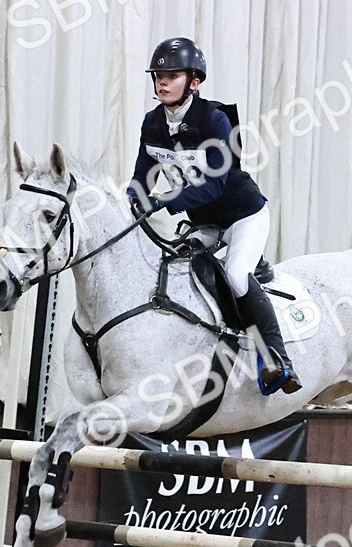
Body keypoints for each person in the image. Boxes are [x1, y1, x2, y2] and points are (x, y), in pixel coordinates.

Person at [126, 37, 301, 395]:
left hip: (243, 215)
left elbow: (214, 187)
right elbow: (143, 177)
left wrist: (163, 201)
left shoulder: (215, 120)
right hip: (205, 223)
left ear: (194, 81)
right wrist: (130, 200)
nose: (161, 81)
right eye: (158, 75)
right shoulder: (152, 123)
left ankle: (278, 360)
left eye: (172, 75)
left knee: (236, 275)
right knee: (179, 269)